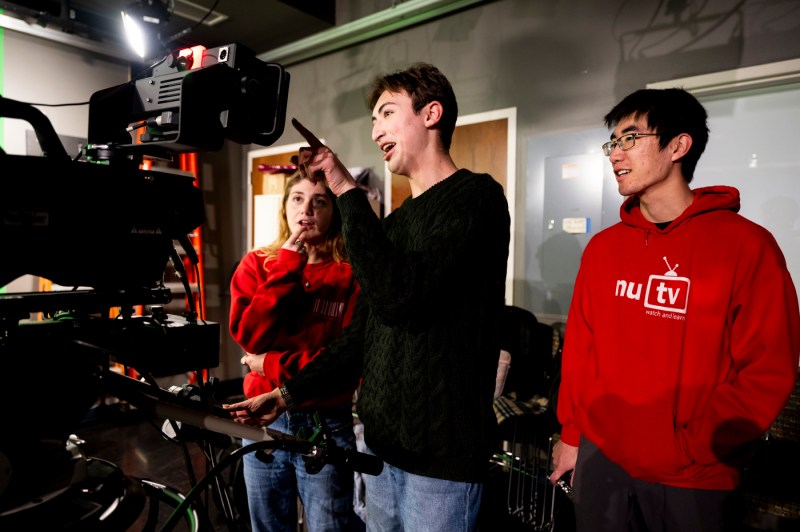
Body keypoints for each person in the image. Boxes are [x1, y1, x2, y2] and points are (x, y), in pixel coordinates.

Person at [224, 63, 511, 531]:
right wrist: (287, 393)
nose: (376, 130)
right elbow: (362, 336)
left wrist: (344, 188)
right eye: (373, 119)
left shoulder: (476, 198)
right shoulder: (394, 224)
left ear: (431, 113)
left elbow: (400, 296)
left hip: (439, 462)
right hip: (379, 452)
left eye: (386, 112)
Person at [549, 87, 800, 531]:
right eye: (612, 143)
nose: (614, 154)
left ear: (678, 145)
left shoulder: (746, 246)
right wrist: (572, 436)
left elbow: (768, 367)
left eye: (629, 139)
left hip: (694, 476)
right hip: (601, 459)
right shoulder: (603, 250)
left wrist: (693, 446)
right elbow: (581, 353)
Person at [229, 171, 362, 532]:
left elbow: (344, 361)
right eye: (298, 199)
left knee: (330, 525)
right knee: (268, 525)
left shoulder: (349, 273)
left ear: (332, 211)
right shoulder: (257, 263)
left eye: (319, 201)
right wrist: (287, 267)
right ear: (285, 208)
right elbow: (250, 338)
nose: (307, 209)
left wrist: (270, 364)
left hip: (326, 421)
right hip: (263, 422)